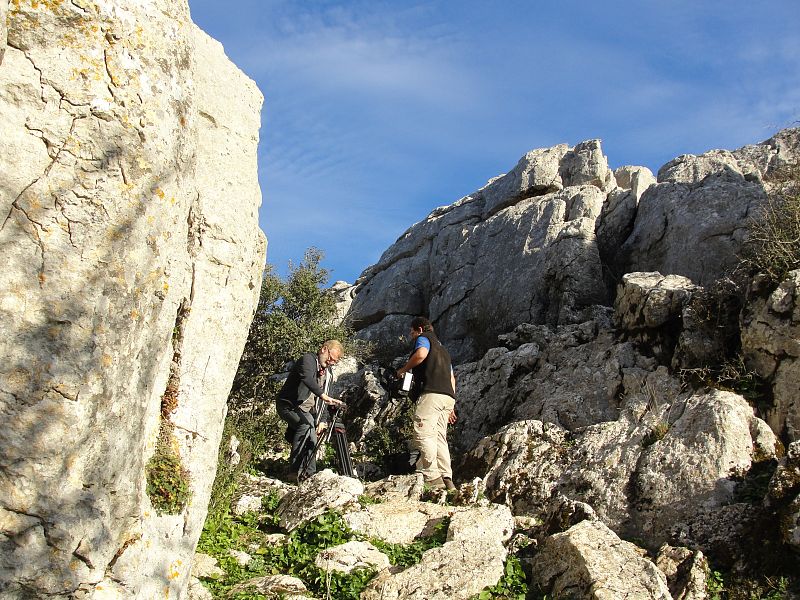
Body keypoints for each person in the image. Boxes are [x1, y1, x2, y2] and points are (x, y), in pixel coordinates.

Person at [396, 317, 457, 491]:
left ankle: (432, 476)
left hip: (431, 393)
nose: (411, 335)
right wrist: (451, 405)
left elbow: (421, 354)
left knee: (423, 432)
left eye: (412, 331)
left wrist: (403, 370)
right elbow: (452, 378)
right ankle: (448, 479)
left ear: (420, 329)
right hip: (447, 397)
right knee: (440, 437)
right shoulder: (444, 350)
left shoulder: (424, 338)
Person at [276, 340, 345, 482]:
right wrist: (323, 395)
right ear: (324, 349)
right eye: (331, 358)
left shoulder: (328, 373)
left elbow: (326, 398)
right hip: (288, 405)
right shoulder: (307, 360)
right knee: (306, 427)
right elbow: (307, 378)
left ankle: (309, 474)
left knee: (313, 435)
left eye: (334, 361)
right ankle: (295, 472)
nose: (332, 362)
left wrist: (322, 420)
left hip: (307, 410)